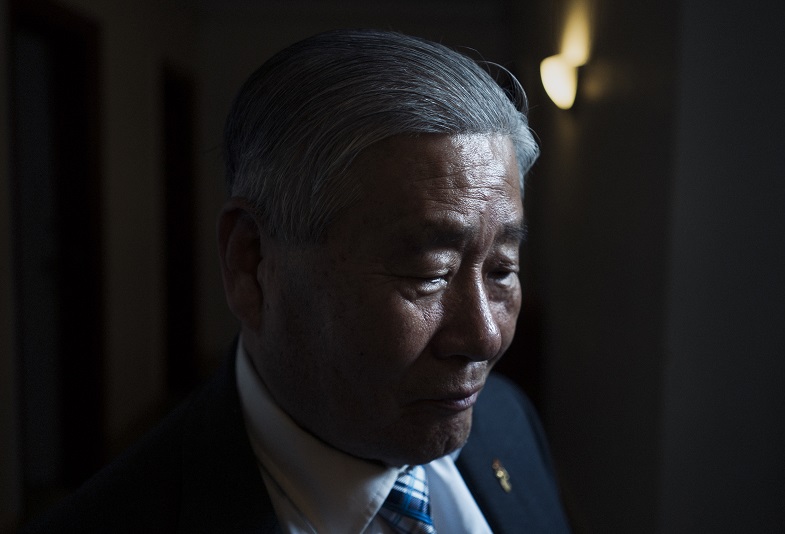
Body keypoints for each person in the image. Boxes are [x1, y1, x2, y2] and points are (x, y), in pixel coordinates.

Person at [24, 29, 571, 533]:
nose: (484, 336)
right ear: (252, 261)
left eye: (502, 269)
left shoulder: (506, 418)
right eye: (428, 274)